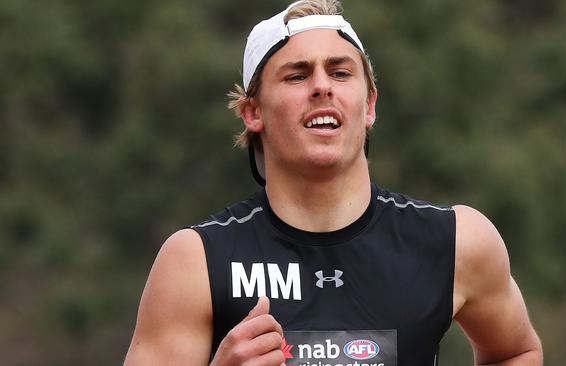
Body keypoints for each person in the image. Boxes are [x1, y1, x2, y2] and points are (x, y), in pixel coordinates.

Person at [124, 0, 543, 365]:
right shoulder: (195, 261)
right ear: (253, 112)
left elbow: (516, 352)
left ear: (370, 105)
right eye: (297, 75)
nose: (322, 86)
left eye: (341, 73)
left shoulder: (455, 241)